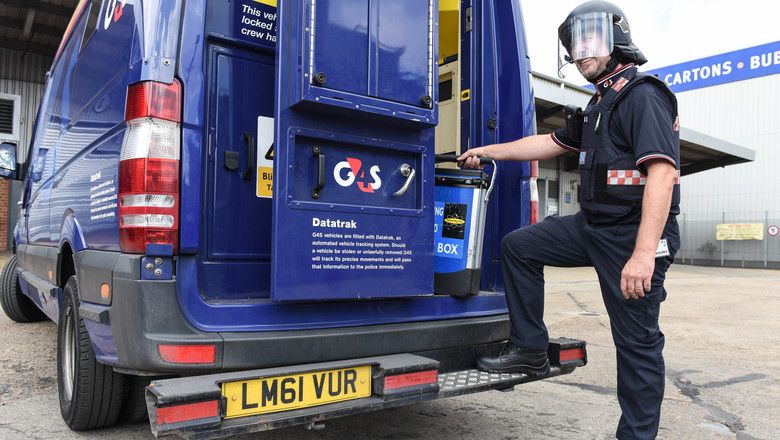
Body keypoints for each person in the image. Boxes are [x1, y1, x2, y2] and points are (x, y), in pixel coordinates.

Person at [459, 2, 681, 439]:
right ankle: (529, 349)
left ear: (618, 40)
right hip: (594, 225)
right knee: (519, 247)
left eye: (590, 41)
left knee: (636, 347)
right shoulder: (600, 103)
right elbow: (547, 143)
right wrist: (488, 152)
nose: (581, 53)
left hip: (632, 237)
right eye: (575, 45)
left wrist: (642, 256)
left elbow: (663, 173)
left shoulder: (643, 96)